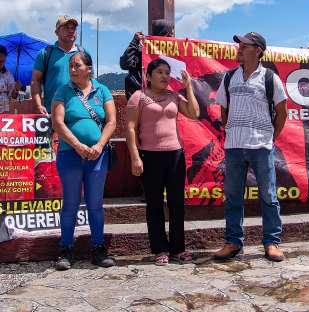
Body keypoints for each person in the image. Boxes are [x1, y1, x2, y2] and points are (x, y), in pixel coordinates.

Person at [214, 32, 287, 263]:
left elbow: (282, 113)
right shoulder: (229, 77)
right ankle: (233, 242)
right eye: (239, 45)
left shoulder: (270, 78)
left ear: (257, 50)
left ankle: (272, 242)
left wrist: (268, 137)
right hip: (234, 146)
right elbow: (223, 110)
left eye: (244, 46)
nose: (239, 48)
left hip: (261, 147)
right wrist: (233, 129)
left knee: (268, 195)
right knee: (233, 196)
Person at [125, 58, 199, 266]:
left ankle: (177, 249)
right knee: (154, 204)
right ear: (148, 76)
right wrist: (135, 157)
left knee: (177, 204)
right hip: (150, 155)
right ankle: (160, 249)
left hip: (175, 154)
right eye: (159, 72)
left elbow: (194, 113)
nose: (164, 76)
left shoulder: (174, 96)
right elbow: (130, 128)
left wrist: (189, 88)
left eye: (167, 72)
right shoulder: (138, 97)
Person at [51, 51, 116, 270]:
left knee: (95, 205)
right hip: (70, 155)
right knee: (70, 204)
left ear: (89, 69)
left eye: (77, 65)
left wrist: (98, 146)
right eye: (70, 65)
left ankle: (98, 249)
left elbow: (111, 122)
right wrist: (78, 146)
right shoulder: (62, 91)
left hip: (97, 156)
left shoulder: (103, 90)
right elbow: (58, 123)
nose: (72, 69)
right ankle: (65, 250)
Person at [31, 15, 91, 114]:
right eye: (66, 28)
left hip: (80, 111)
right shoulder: (45, 53)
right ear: (57, 32)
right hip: (52, 111)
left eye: (73, 28)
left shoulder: (84, 53)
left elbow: (91, 80)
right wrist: (38, 105)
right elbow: (35, 81)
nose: (71, 31)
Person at [120, 19, 174, 101]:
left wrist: (188, 46)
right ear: (163, 33)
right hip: (147, 99)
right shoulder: (145, 51)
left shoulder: (176, 52)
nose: (172, 37)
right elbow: (125, 64)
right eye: (170, 34)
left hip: (170, 98)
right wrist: (134, 42)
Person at [0, 45, 21, 113]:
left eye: (2, 61)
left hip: (4, 110)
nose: (0, 63)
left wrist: (15, 90)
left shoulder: (8, 74)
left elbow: (12, 98)